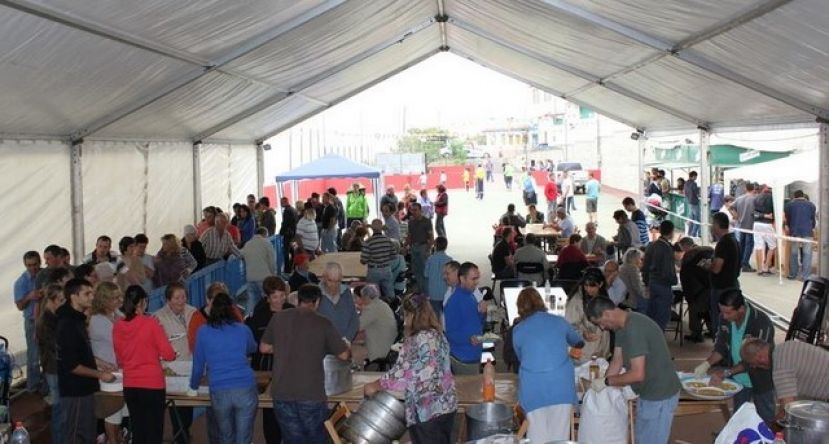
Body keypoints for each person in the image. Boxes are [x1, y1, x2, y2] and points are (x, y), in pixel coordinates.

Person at [259, 284, 351, 443]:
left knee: (292, 439)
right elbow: (343, 355)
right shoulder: (323, 322)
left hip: (282, 393)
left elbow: (264, 348)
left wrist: (285, 347)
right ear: (317, 302)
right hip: (311, 394)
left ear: (298, 299)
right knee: (316, 438)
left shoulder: (279, 317)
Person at [363, 294, 457, 443]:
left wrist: (375, 385)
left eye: (405, 315)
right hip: (446, 405)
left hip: (426, 411)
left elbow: (400, 376)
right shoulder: (439, 335)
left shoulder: (415, 340)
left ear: (411, 315)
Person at [587, 297, 681, 444]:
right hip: (647, 391)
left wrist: (607, 381)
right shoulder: (621, 327)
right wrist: (604, 386)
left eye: (600, 323)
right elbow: (617, 360)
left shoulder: (634, 330)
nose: (602, 328)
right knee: (642, 439)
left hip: (659, 395)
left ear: (607, 314)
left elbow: (637, 374)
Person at [693, 289, 775, 423]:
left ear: (741, 309)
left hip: (761, 377)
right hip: (739, 379)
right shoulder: (724, 319)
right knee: (738, 418)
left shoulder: (761, 322)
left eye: (728, 312)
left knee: (766, 418)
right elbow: (721, 347)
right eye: (721, 311)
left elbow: (754, 360)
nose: (724, 316)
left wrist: (726, 372)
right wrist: (706, 364)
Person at [513, 288, 584, 442]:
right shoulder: (559, 321)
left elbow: (522, 359)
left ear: (519, 308)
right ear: (540, 302)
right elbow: (579, 341)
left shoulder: (518, 331)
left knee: (537, 436)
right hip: (561, 386)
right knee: (559, 436)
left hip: (533, 388)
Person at [190, 293, 258, 444]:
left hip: (219, 389)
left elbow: (198, 366)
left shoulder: (203, 332)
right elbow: (253, 347)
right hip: (245, 387)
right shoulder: (242, 329)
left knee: (225, 436)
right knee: (243, 437)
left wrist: (193, 386)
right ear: (231, 309)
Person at [112, 285, 176, 444]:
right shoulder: (151, 323)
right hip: (152, 383)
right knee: (153, 431)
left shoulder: (118, 326)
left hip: (130, 384)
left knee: (138, 429)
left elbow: (120, 358)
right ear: (142, 302)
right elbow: (168, 354)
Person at [58, 278, 117, 444]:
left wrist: (99, 362)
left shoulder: (77, 319)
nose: (92, 297)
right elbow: (72, 365)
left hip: (85, 388)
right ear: (74, 297)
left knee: (87, 434)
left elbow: (82, 352)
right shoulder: (67, 324)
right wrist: (100, 374)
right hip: (75, 391)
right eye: (87, 293)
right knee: (77, 436)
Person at [245, 277, 294, 444]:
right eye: (275, 297)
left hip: (289, 369)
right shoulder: (259, 317)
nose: (279, 300)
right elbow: (256, 345)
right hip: (266, 371)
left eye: (282, 296)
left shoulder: (293, 311)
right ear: (267, 298)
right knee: (270, 412)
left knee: (289, 411)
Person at [741, 339, 829, 420]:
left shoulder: (780, 366)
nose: (754, 367)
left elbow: (787, 410)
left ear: (760, 357)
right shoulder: (786, 346)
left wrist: (770, 431)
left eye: (753, 363)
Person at [89, 282, 127, 443]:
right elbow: (120, 339)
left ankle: (116, 437)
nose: (120, 300)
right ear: (104, 300)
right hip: (107, 371)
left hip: (118, 370)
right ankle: (112, 440)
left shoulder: (115, 313)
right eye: (115, 298)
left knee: (119, 411)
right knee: (112, 413)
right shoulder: (97, 320)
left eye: (120, 296)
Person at [444, 262, 485, 375]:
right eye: (473, 279)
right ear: (462, 278)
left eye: (478, 278)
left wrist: (482, 313)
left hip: (474, 353)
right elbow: (450, 333)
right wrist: (469, 338)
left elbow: (477, 322)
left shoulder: (471, 296)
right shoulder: (454, 302)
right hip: (463, 357)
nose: (477, 282)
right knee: (469, 391)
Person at [565, 268, 611, 363]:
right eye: (586, 285)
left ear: (601, 284)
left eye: (592, 286)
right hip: (585, 351)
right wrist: (583, 333)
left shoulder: (603, 296)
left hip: (602, 348)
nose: (588, 289)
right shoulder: (577, 300)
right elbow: (569, 325)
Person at [37, 285, 65, 441]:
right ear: (51, 300)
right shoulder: (46, 322)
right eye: (61, 300)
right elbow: (55, 346)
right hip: (54, 369)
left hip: (55, 367)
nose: (64, 303)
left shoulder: (53, 317)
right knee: (59, 408)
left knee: (60, 407)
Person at [705, 212, 741, 333]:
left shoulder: (723, 243)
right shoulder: (734, 240)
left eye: (712, 223)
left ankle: (720, 346)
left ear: (716, 225)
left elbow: (717, 268)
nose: (710, 226)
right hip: (733, 284)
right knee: (732, 322)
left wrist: (708, 265)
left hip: (721, 288)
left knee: (720, 322)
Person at [14, 250, 42, 393]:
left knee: (49, 354)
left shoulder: (44, 275)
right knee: (33, 356)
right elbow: (19, 306)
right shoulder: (21, 282)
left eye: (35, 264)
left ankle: (45, 385)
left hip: (48, 320)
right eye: (29, 265)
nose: (33, 268)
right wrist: (29, 297)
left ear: (40, 262)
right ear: (25, 265)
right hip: (32, 321)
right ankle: (33, 387)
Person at [188, 282, 245, 352]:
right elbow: (193, 345)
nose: (218, 306)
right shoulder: (197, 318)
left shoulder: (234, 312)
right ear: (207, 300)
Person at [676, 237, 713, 342]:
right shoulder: (707, 251)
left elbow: (687, 275)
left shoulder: (690, 256)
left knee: (695, 311)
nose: (682, 251)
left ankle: (696, 334)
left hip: (697, 289)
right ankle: (713, 331)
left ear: (685, 246)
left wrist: (689, 294)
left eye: (682, 248)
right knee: (708, 311)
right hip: (710, 287)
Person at [642, 220, 677, 330]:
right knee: (662, 317)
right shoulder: (666, 248)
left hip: (652, 283)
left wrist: (646, 282)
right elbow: (667, 270)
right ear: (671, 232)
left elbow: (645, 266)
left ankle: (650, 340)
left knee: (652, 315)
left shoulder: (651, 245)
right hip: (663, 285)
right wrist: (674, 280)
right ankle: (658, 340)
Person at [356, 284, 398, 367]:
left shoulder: (371, 309)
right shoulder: (382, 304)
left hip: (379, 348)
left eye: (362, 297)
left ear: (366, 297)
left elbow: (357, 327)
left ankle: (358, 374)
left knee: (351, 350)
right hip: (388, 344)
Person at [240, 227, 278, 315]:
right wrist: (273, 274)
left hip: (250, 277)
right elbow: (272, 261)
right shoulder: (266, 243)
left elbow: (240, 254)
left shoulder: (248, 244)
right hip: (264, 277)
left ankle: (247, 319)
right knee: (267, 299)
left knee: (251, 300)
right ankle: (267, 318)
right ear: (265, 234)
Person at [318, 262, 360, 340]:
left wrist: (347, 339)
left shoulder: (346, 293)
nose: (334, 285)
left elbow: (354, 319)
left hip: (344, 343)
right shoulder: (316, 294)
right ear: (324, 278)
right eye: (330, 281)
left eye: (337, 281)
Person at [784, 189, 817, 280]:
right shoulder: (811, 205)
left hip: (794, 231)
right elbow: (812, 219)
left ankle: (793, 274)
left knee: (794, 253)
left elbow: (788, 219)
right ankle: (805, 276)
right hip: (807, 231)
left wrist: (788, 227)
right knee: (807, 254)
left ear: (795, 196)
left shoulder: (789, 205)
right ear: (803, 196)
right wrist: (813, 228)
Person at [361, 219, 397, 301]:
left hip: (373, 270)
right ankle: (392, 309)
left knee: (373, 295)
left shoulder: (368, 242)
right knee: (390, 294)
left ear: (372, 229)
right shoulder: (388, 240)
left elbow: (364, 260)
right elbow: (393, 256)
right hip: (386, 269)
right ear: (381, 228)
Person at [406, 202, 434, 292]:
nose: (413, 212)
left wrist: (428, 248)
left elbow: (431, 236)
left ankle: (427, 290)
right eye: (412, 210)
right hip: (414, 247)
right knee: (415, 269)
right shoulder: (410, 222)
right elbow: (409, 235)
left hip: (423, 246)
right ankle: (420, 288)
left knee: (424, 270)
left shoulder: (426, 221)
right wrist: (406, 246)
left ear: (420, 211)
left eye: (415, 210)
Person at [424, 236, 452, 317]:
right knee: (446, 315)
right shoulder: (449, 260)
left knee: (435, 315)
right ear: (446, 246)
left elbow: (426, 274)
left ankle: (437, 328)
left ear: (435, 246)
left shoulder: (430, 259)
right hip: (446, 292)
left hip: (433, 293)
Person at [732, 182, 758, 272]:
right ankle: (745, 263)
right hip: (751, 225)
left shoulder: (739, 198)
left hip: (741, 224)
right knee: (749, 245)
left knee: (742, 244)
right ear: (753, 189)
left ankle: (740, 262)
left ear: (745, 188)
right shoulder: (754, 199)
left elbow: (730, 207)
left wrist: (736, 216)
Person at [753, 185, 776, 276]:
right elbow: (775, 212)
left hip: (756, 224)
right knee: (772, 246)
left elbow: (753, 212)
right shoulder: (772, 198)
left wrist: (762, 215)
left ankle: (759, 269)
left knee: (758, 246)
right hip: (767, 224)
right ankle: (766, 267)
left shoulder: (756, 198)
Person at [619, 249, 647, 313]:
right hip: (630, 299)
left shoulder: (622, 267)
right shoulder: (633, 268)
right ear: (636, 259)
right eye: (640, 259)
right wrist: (645, 294)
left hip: (622, 297)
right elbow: (637, 287)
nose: (640, 261)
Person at [279, 197, 299, 273]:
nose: (280, 204)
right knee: (292, 251)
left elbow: (285, 223)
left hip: (288, 234)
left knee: (286, 251)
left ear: (285, 201)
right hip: (293, 233)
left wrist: (281, 232)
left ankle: (287, 269)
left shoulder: (287, 211)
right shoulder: (293, 209)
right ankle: (293, 266)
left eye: (281, 202)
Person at [684, 171, 701, 237]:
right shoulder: (693, 184)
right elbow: (697, 193)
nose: (696, 177)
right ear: (693, 176)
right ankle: (694, 234)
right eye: (696, 176)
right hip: (694, 202)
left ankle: (689, 233)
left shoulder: (686, 183)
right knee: (697, 219)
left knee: (691, 219)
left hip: (689, 202)